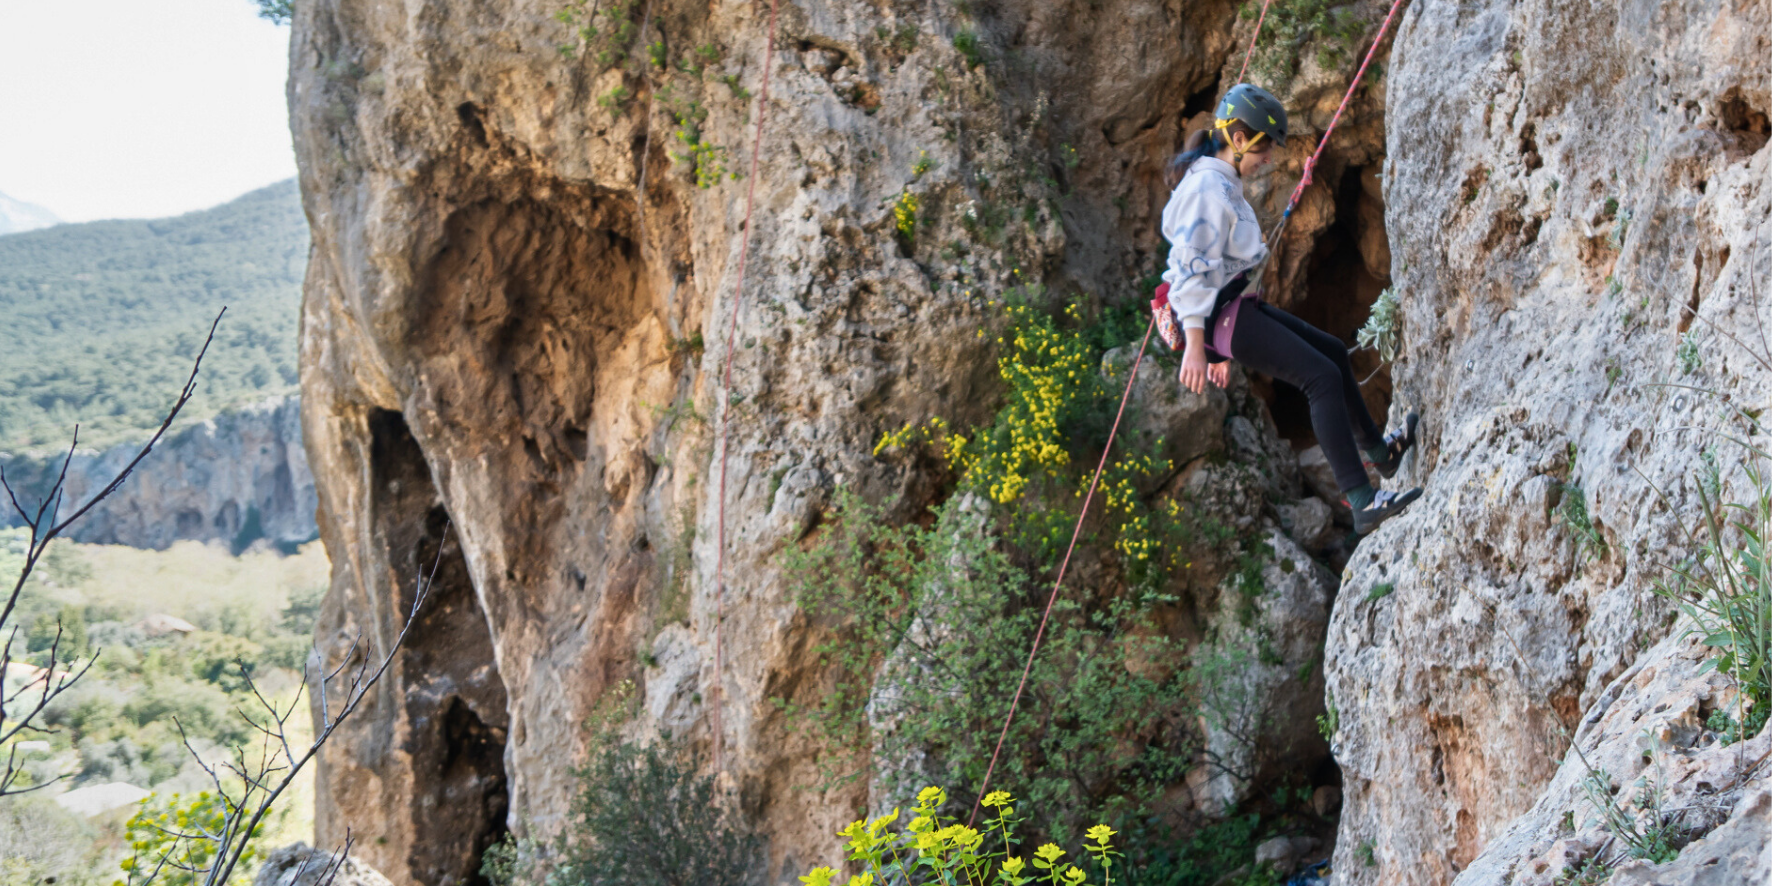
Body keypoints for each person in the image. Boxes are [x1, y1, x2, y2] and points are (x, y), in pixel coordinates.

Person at [1154, 83, 1422, 535]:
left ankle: (1381, 454)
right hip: (1223, 317)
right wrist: (1199, 347)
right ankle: (1362, 499)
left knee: (1333, 354)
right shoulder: (1206, 188)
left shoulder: (1220, 179)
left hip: (1233, 312)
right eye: (1265, 147)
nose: (1270, 159)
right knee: (1319, 379)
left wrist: (1218, 353)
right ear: (1239, 139)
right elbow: (1189, 268)